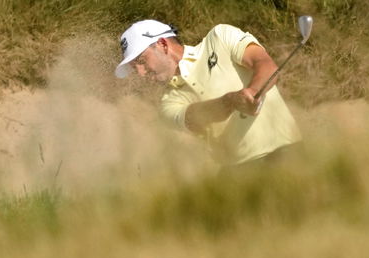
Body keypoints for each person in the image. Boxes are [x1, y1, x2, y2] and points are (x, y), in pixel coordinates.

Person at [115, 19, 302, 168]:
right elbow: (195, 119)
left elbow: (265, 64)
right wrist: (230, 102)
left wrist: (253, 90)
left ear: (163, 44)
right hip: (238, 174)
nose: (140, 72)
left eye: (141, 60)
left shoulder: (220, 37)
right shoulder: (168, 103)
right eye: (134, 68)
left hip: (287, 153)